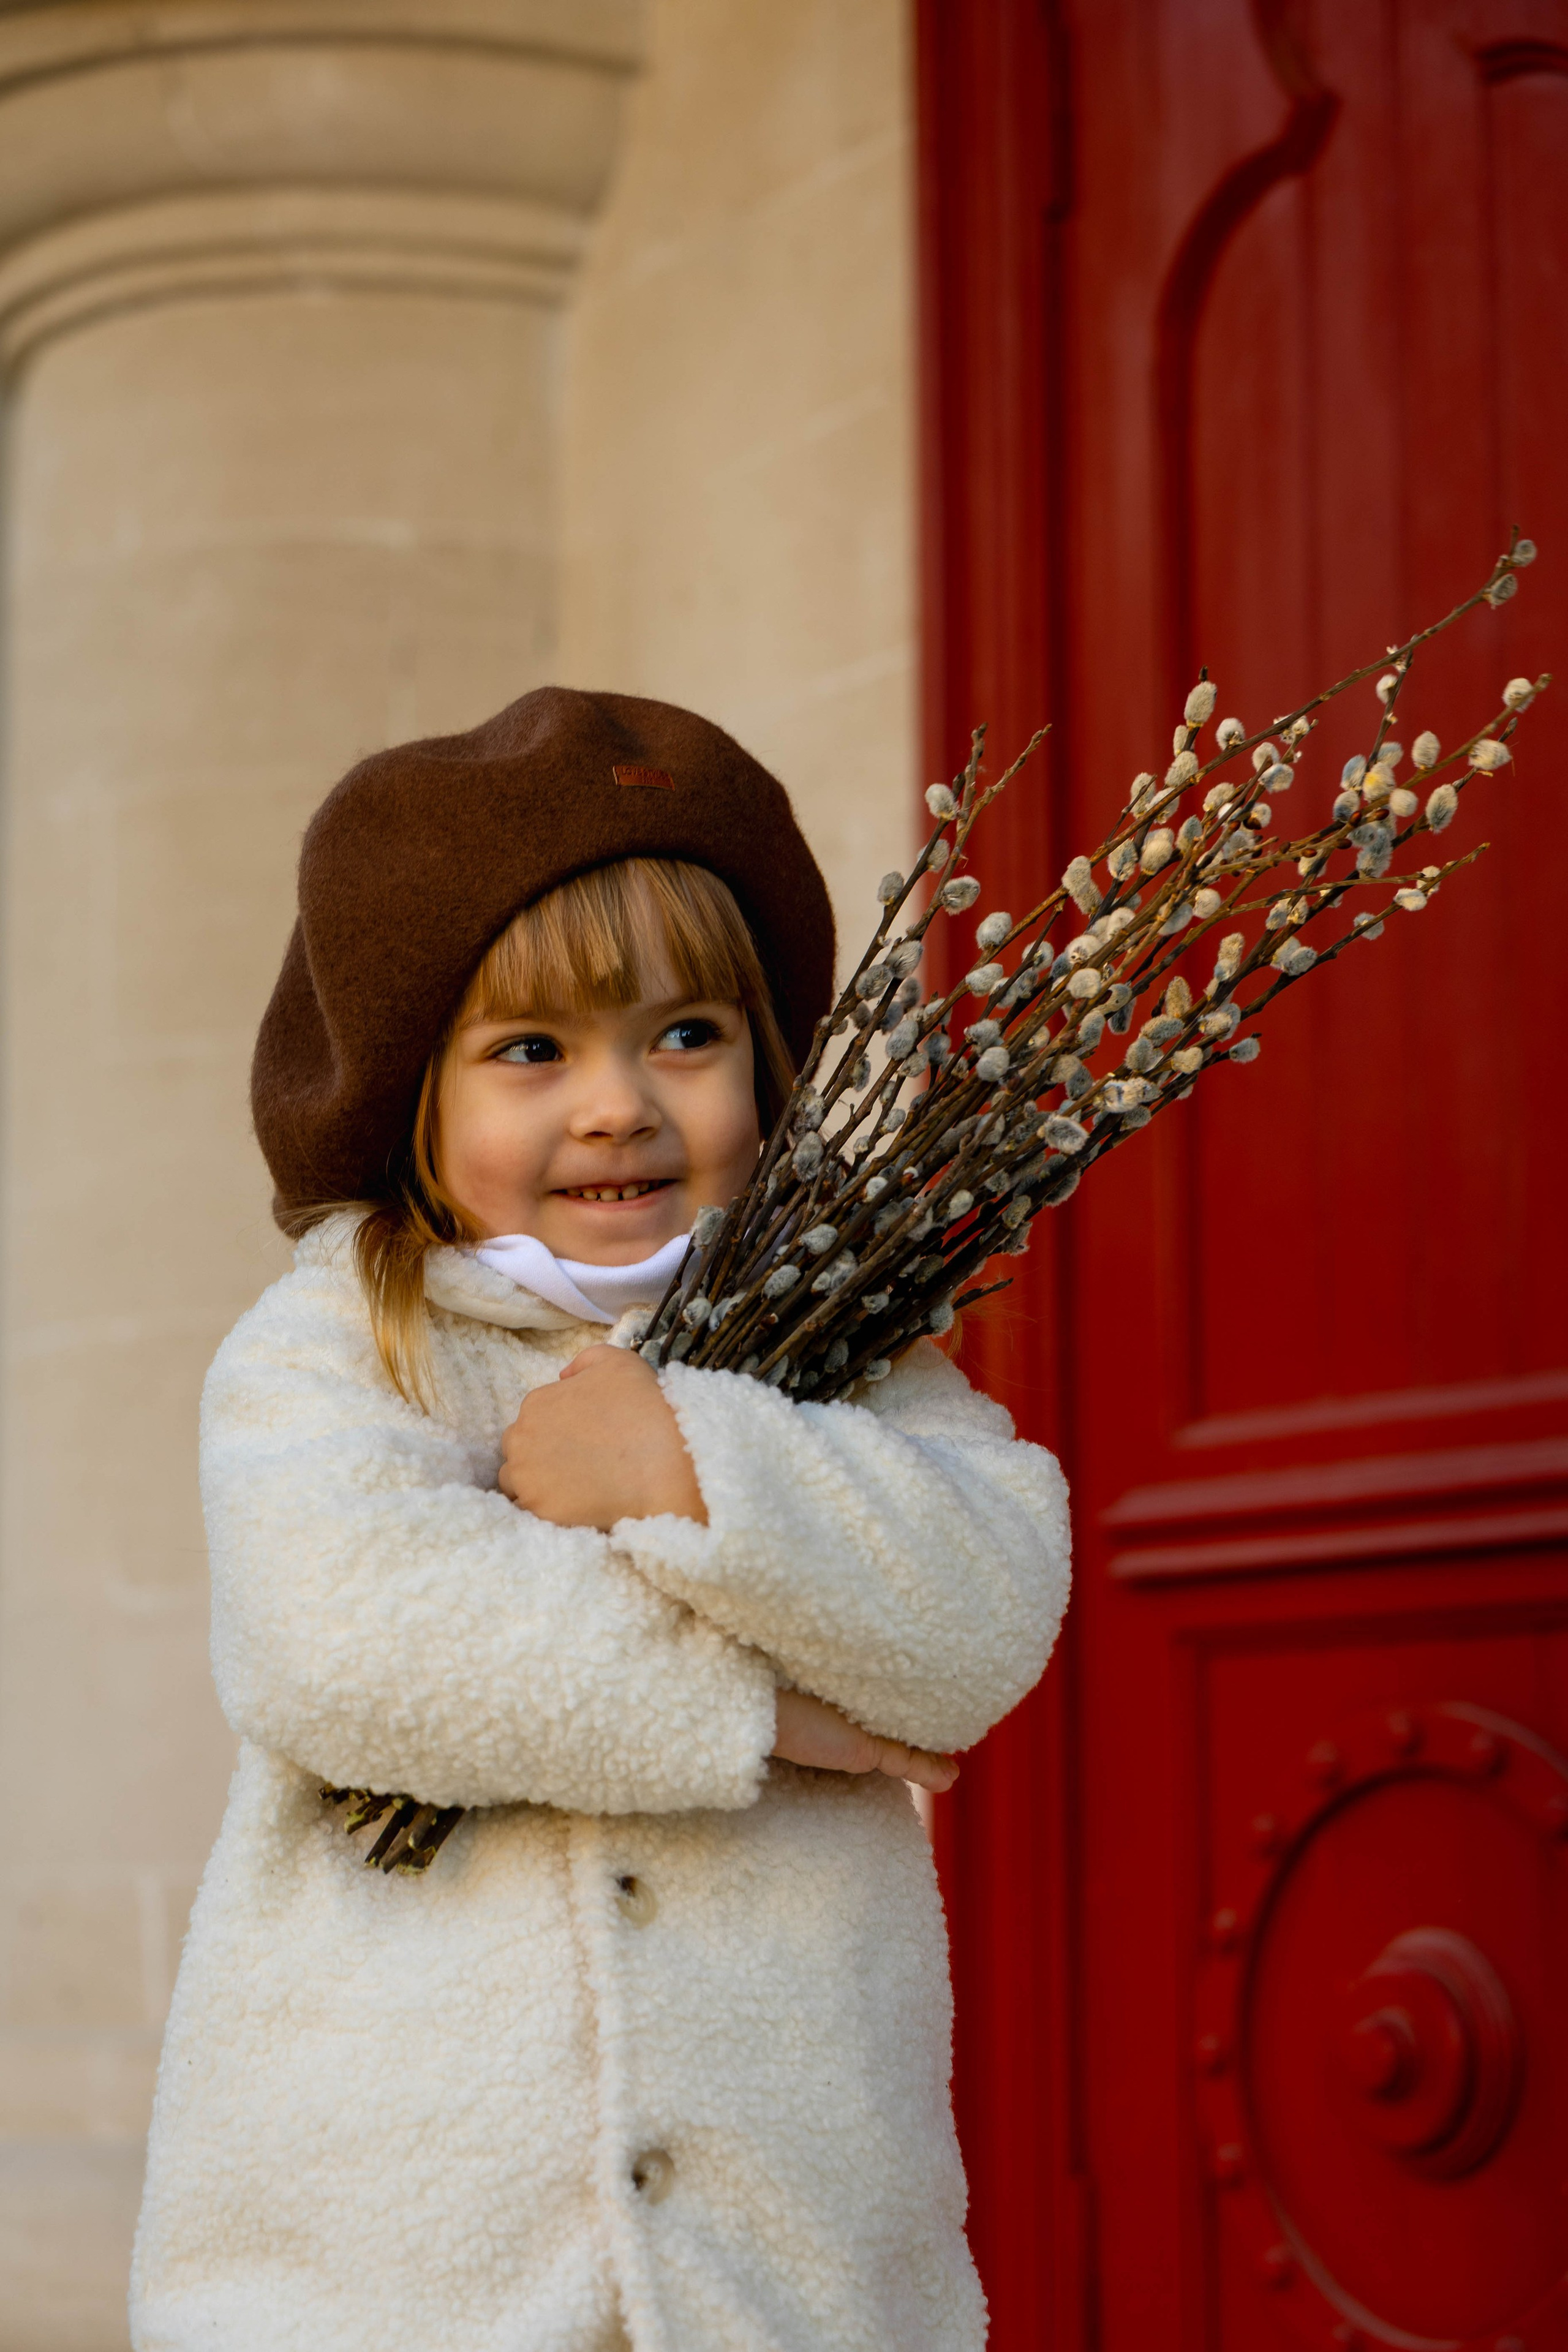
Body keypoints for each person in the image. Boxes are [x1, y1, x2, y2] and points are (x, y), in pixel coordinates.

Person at [129, 687, 1071, 2352]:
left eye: (685, 1035)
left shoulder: (851, 1353)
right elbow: (342, 1636)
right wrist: (767, 1712)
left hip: (795, 2268)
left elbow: (984, 1603)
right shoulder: (347, 1334)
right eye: (533, 1051)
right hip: (396, 2261)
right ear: (418, 1089)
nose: (619, 1101)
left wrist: (689, 1460)